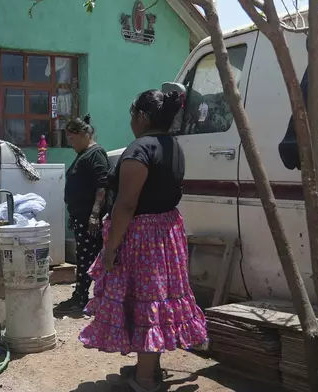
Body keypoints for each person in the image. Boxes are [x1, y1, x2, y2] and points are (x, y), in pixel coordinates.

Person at [78, 90, 207, 392]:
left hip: (142, 238)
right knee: (155, 301)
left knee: (147, 303)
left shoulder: (140, 148)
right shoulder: (173, 146)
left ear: (143, 117)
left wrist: (110, 249)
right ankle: (150, 369)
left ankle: (145, 381)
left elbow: (126, 204)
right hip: (166, 232)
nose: (131, 120)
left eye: (132, 113)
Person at [56, 114, 110, 314]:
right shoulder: (83, 154)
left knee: (88, 260)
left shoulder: (96, 154)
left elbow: (102, 186)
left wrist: (95, 215)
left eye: (72, 139)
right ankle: (80, 297)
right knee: (83, 259)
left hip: (91, 220)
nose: (70, 144)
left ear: (84, 134)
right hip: (82, 218)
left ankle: (84, 300)